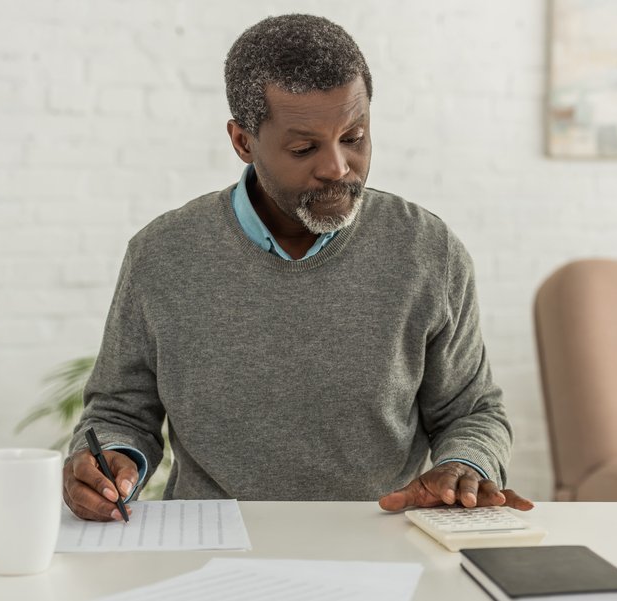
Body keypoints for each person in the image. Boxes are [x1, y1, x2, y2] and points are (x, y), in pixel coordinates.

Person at [63, 13, 532, 522]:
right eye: (305, 147)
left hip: (380, 537)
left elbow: (471, 412)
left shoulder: (428, 251)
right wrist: (110, 459)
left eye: (354, 137)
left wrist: (464, 464)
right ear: (243, 141)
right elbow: (119, 412)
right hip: (212, 545)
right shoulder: (163, 254)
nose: (337, 167)